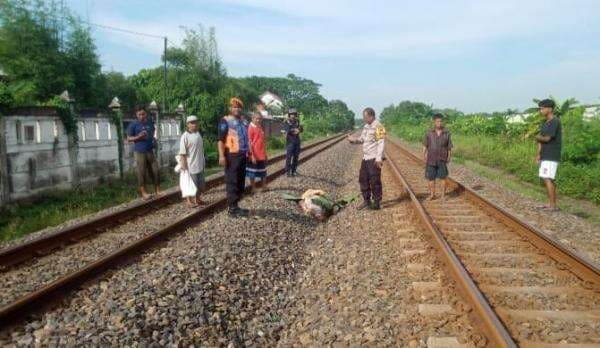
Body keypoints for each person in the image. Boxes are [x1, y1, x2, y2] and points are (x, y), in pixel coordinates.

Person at [347, 107, 385, 210]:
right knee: (363, 179)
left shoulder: (379, 126)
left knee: (375, 180)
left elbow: (381, 142)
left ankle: (376, 202)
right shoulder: (366, 126)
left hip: (373, 158)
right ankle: (366, 201)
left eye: (365, 117)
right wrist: (353, 140)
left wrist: (379, 158)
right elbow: (362, 139)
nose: (364, 119)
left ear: (371, 116)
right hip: (365, 158)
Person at [218, 97, 250, 217]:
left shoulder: (243, 121)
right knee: (232, 181)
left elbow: (247, 139)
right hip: (231, 155)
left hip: (242, 155)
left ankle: (236, 205)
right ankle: (232, 209)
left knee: (241, 181)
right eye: (234, 107)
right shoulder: (225, 121)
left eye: (238, 107)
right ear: (230, 108)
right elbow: (220, 140)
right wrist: (221, 156)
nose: (236, 109)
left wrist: (249, 153)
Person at [127, 105, 161, 199]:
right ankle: (143, 192)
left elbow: (153, 134)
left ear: (146, 113)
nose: (142, 116)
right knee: (141, 172)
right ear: (136, 115)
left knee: (155, 170)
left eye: (143, 114)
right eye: (139, 114)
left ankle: (158, 190)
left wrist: (154, 141)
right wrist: (138, 137)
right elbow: (128, 138)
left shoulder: (150, 122)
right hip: (139, 152)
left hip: (150, 150)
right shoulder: (133, 125)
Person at [536, 99, 562, 212]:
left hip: (552, 154)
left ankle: (553, 206)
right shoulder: (545, 123)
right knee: (546, 178)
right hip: (545, 155)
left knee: (548, 178)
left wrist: (537, 138)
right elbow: (541, 141)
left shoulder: (555, 121)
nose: (540, 110)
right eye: (540, 108)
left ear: (550, 109)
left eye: (542, 108)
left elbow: (547, 138)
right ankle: (550, 204)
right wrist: (538, 155)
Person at [422, 113, 453, 201]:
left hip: (442, 158)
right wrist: (423, 155)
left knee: (443, 177)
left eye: (441, 121)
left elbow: (449, 147)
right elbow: (425, 145)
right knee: (431, 177)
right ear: (434, 122)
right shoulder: (429, 133)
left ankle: (443, 195)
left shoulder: (447, 133)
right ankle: (432, 195)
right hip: (431, 158)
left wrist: (449, 157)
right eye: (437, 121)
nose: (439, 123)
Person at [179, 115, 206, 207]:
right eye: (192, 123)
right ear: (188, 125)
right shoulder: (185, 136)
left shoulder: (198, 134)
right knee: (190, 184)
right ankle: (189, 201)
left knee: (200, 184)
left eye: (195, 122)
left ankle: (197, 199)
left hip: (200, 164)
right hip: (190, 165)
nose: (194, 124)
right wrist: (183, 165)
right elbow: (182, 153)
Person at [247, 112, 268, 191]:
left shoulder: (259, 127)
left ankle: (264, 186)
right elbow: (249, 141)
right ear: (252, 119)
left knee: (263, 171)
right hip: (254, 154)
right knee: (252, 172)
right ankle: (253, 188)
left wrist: (265, 154)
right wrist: (251, 155)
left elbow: (263, 141)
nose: (258, 120)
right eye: (257, 118)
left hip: (261, 154)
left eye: (260, 119)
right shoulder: (250, 127)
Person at [282, 108, 303, 177]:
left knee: (296, 157)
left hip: (297, 141)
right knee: (289, 157)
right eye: (291, 114)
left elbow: (301, 128)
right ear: (289, 115)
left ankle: (294, 171)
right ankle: (288, 171)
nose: (293, 115)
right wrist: (294, 130)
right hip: (290, 141)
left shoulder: (297, 121)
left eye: (294, 114)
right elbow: (286, 130)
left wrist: (299, 130)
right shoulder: (286, 121)